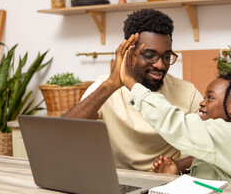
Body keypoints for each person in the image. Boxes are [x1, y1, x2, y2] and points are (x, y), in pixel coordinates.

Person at [63, 9, 203, 171]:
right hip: (117, 182)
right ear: (130, 52)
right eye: (150, 55)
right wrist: (111, 85)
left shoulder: (187, 93)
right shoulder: (106, 87)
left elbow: (215, 149)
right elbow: (65, 131)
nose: (160, 65)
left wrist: (175, 166)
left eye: (166, 56)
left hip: (165, 182)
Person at [119, 44, 231, 183]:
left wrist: (131, 83)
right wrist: (176, 174)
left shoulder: (227, 133)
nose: (202, 102)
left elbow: (176, 123)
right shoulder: (217, 137)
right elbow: (209, 183)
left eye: (210, 98)